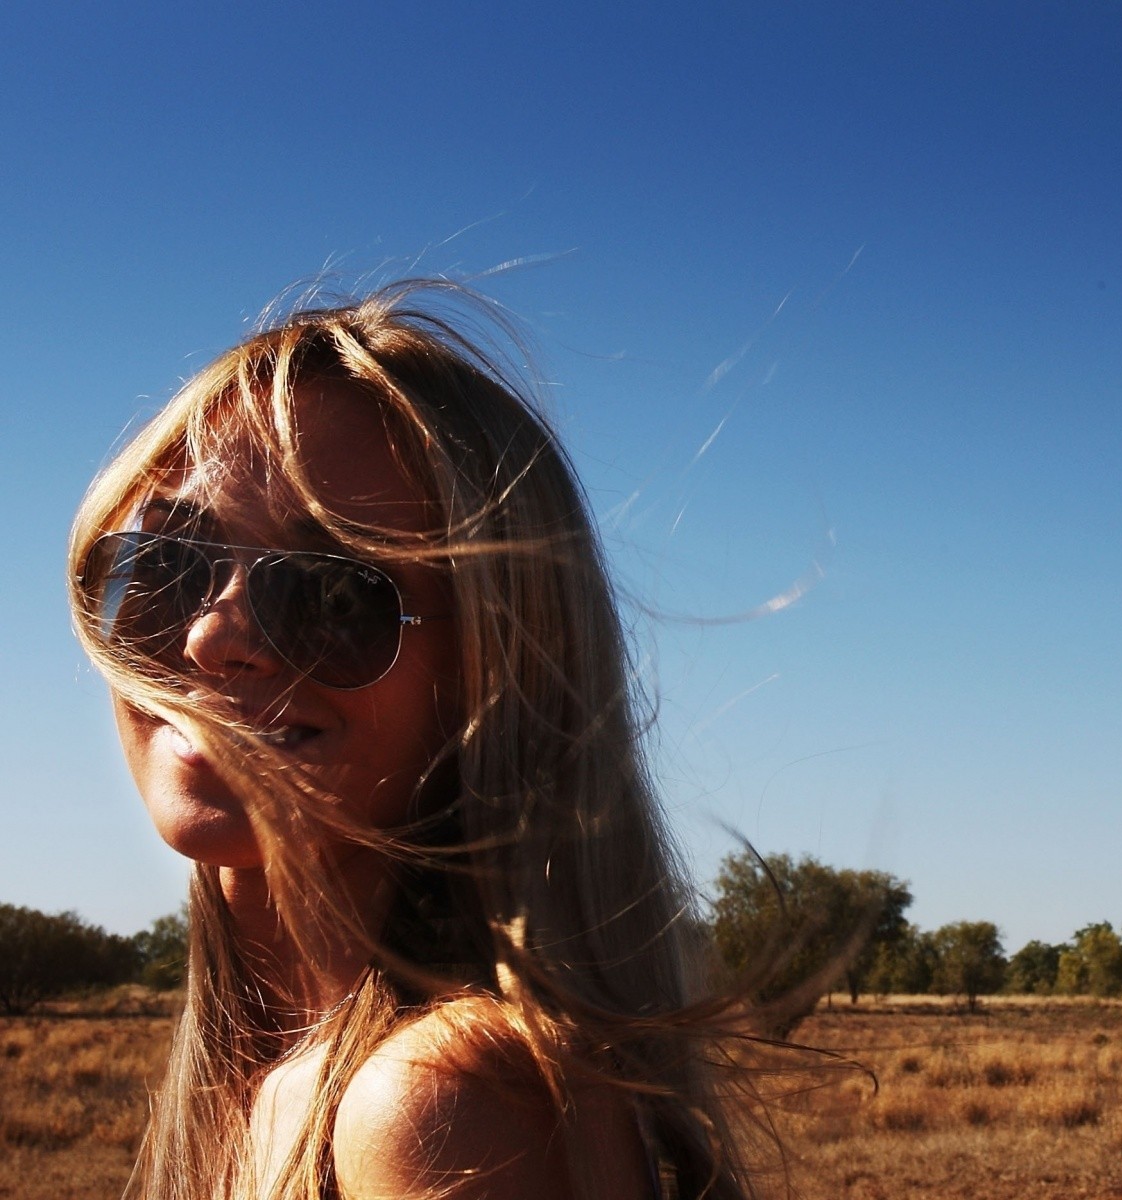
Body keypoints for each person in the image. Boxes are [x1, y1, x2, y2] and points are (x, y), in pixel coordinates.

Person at [69, 281, 761, 1199]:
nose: (211, 638)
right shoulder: (274, 1078)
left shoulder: (435, 1109)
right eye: (163, 568)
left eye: (333, 595)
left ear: (490, 675)